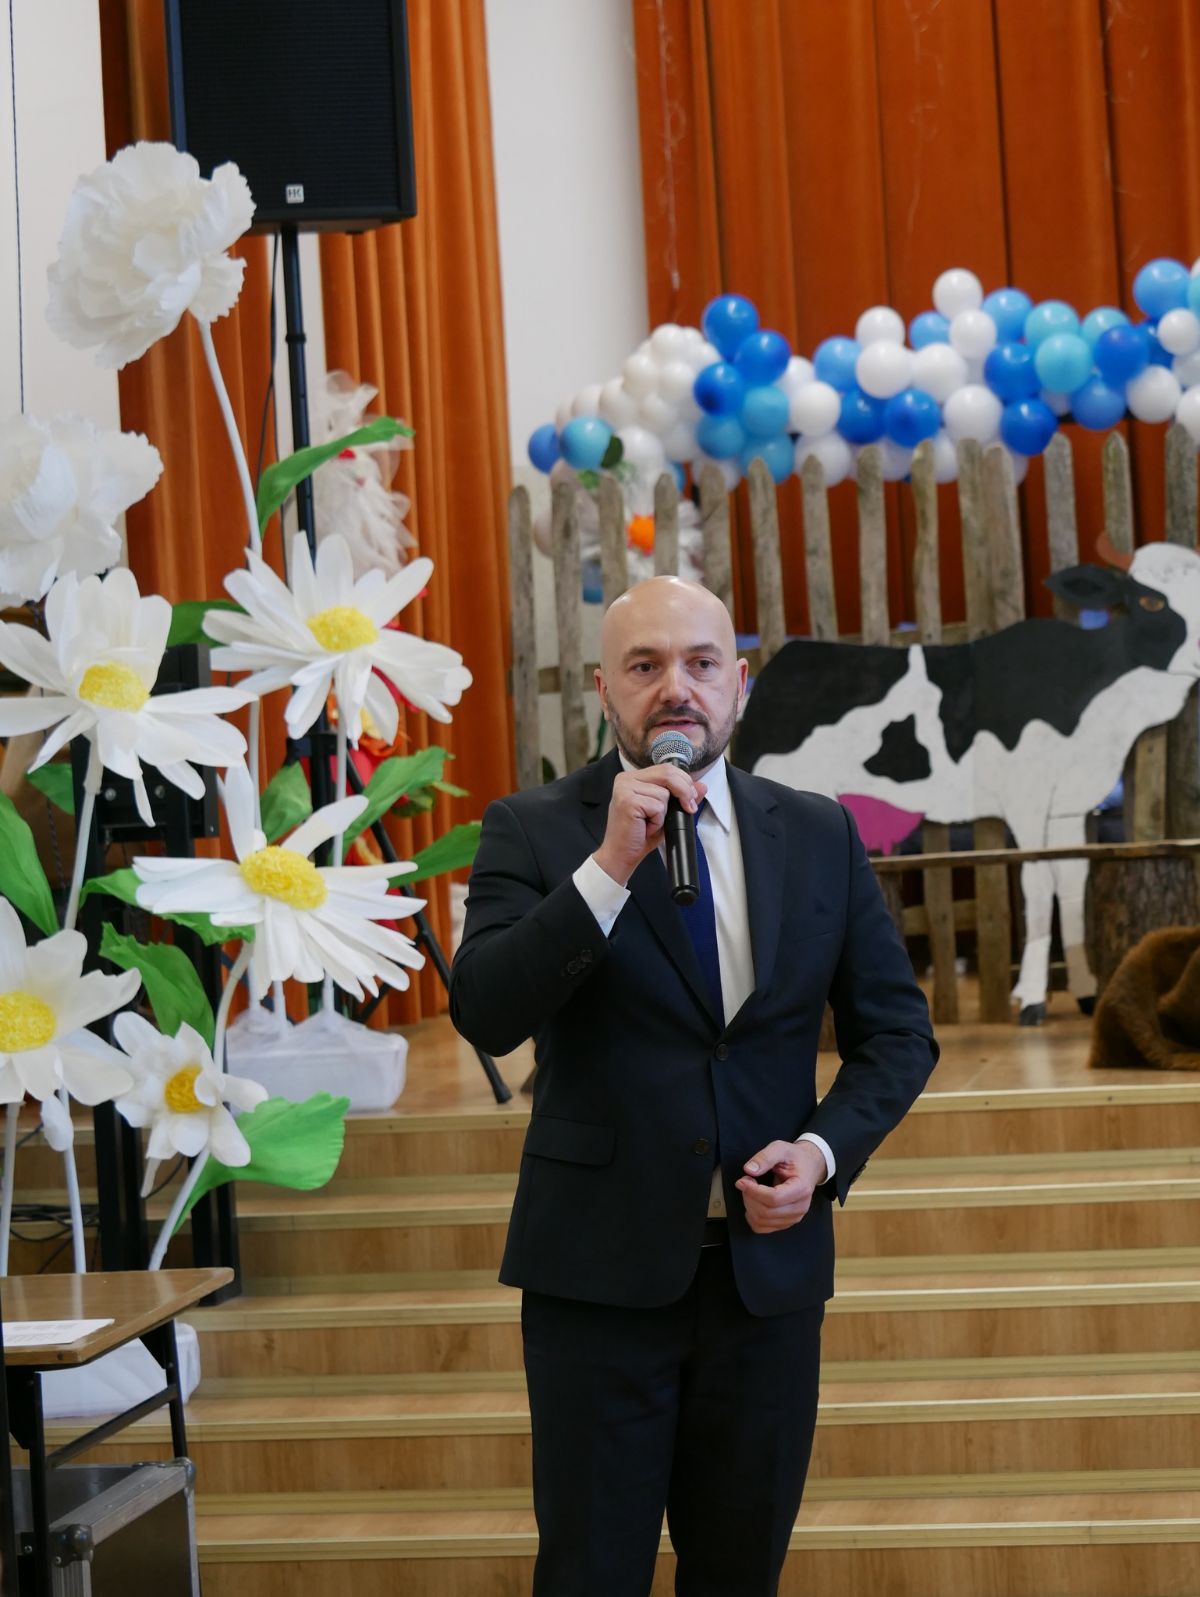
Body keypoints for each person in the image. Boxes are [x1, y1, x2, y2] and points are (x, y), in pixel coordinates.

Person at [450, 576, 938, 1597]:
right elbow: (487, 1011)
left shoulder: (818, 832)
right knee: (590, 1575)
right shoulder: (532, 829)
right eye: (645, 665)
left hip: (766, 1289)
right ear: (604, 689)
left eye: (701, 663)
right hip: (598, 1281)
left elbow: (898, 1034)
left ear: (739, 683)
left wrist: (820, 1153)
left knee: (739, 1575)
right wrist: (606, 869)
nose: (676, 687)